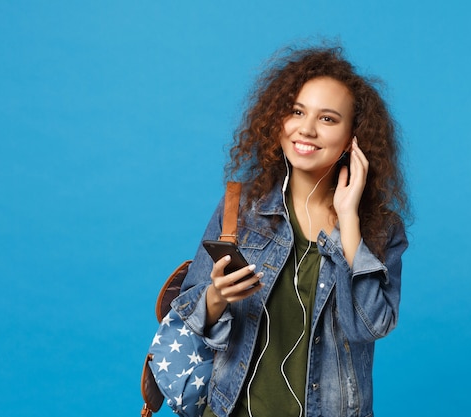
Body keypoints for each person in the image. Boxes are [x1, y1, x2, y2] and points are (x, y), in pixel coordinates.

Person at [172, 44, 409, 417]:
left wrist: (348, 222)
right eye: (297, 111)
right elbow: (189, 310)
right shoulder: (242, 208)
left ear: (353, 139)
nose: (307, 129)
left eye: (328, 119)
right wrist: (216, 297)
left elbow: (371, 325)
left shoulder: (381, 229)